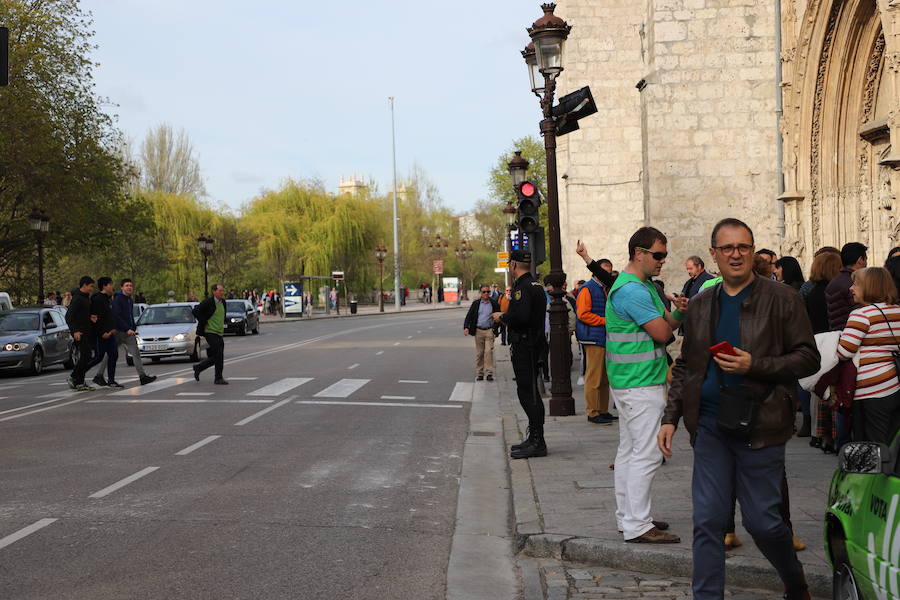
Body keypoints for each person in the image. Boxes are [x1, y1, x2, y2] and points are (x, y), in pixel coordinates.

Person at [658, 218, 818, 600]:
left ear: (753, 251)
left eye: (743, 247)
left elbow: (809, 358)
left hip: (761, 424)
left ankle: (795, 584)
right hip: (710, 425)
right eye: (727, 248)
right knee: (709, 522)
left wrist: (755, 366)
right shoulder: (699, 305)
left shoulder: (782, 298)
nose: (735, 254)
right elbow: (686, 366)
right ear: (713, 254)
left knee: (763, 523)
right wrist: (671, 418)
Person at [606, 226, 687, 544]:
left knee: (630, 451)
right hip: (640, 383)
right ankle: (638, 524)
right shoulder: (634, 291)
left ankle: (628, 518)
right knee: (649, 453)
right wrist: (673, 320)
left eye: (664, 255)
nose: (662, 261)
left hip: (630, 381)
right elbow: (664, 333)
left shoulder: (641, 286)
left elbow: (670, 321)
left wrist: (680, 310)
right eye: (658, 255)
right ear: (639, 253)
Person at [492, 250, 547, 459]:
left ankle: (537, 441)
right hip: (532, 344)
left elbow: (522, 317)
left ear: (513, 265)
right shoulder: (535, 285)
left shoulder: (522, 288)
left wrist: (502, 316)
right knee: (529, 391)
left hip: (526, 346)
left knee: (528, 393)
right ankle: (534, 437)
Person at [837, 267, 900, 444]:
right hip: (894, 383)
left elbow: (844, 352)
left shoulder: (861, 315)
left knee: (871, 446)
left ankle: (875, 473)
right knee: (891, 440)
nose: (851, 288)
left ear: (869, 287)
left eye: (856, 284)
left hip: (870, 388)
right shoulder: (897, 311)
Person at [803, 250, 842, 444]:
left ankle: (816, 433)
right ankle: (831, 434)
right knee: (832, 389)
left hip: (816, 341)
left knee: (817, 390)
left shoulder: (812, 292)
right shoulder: (832, 290)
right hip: (832, 341)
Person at [576, 273, 615, 425]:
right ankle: (592, 412)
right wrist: (604, 321)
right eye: (604, 270)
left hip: (602, 337)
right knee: (594, 376)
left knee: (604, 377)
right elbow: (583, 314)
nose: (607, 274)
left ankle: (603, 410)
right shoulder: (588, 289)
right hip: (593, 338)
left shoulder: (603, 288)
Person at [110, 278, 157, 386]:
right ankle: (98, 375)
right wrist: (127, 328)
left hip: (129, 332)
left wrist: (133, 327)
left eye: (130, 285)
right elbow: (116, 316)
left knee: (136, 354)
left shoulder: (129, 300)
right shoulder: (118, 299)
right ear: (121, 287)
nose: (129, 287)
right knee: (109, 354)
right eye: (126, 285)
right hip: (118, 331)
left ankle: (142, 377)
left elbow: (130, 316)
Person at [86, 277, 120, 388]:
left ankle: (111, 381)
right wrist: (101, 333)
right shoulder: (97, 299)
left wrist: (113, 327)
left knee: (114, 355)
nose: (112, 287)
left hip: (110, 333)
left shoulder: (107, 298)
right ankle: (77, 374)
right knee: (98, 357)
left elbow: (108, 316)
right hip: (100, 335)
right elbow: (94, 319)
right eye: (110, 284)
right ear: (104, 286)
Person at [65, 276, 97, 391]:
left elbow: (81, 314)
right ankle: (74, 377)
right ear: (84, 285)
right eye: (91, 286)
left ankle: (80, 382)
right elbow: (69, 316)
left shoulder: (85, 298)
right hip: (80, 333)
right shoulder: (77, 298)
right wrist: (75, 331)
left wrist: (90, 317)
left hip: (86, 331)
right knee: (86, 355)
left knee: (86, 356)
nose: (92, 289)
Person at [192, 284, 228, 385]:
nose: (222, 293)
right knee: (219, 354)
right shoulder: (208, 302)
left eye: (222, 291)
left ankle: (198, 367)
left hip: (219, 332)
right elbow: (195, 311)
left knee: (217, 356)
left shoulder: (223, 302)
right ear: (214, 291)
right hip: (210, 332)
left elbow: (222, 315)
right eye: (220, 291)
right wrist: (204, 321)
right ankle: (218, 378)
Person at [464, 285, 501, 381]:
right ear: (480, 293)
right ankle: (480, 373)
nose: (486, 294)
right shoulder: (476, 304)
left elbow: (499, 317)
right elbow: (469, 316)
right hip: (478, 331)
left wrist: (495, 329)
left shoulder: (494, 303)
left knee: (488, 352)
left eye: (488, 292)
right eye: (484, 292)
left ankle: (489, 373)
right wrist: (466, 327)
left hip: (489, 330)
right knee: (480, 353)